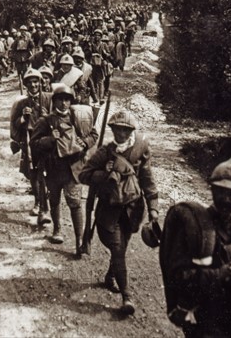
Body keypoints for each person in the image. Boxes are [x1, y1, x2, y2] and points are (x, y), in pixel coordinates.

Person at [159, 157, 231, 338]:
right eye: (220, 191)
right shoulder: (196, 226)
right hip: (208, 315)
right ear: (212, 190)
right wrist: (219, 275)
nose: (226, 199)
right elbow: (178, 275)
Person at [79, 109, 159, 315]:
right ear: (112, 129)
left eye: (125, 130)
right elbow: (84, 175)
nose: (120, 134)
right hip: (108, 210)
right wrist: (104, 172)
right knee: (116, 248)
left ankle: (110, 275)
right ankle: (127, 297)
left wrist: (153, 209)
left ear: (131, 130)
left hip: (132, 209)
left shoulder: (140, 149)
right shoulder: (104, 152)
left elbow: (148, 180)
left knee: (121, 248)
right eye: (116, 129)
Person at [31, 84, 98, 257]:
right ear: (54, 101)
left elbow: (94, 135)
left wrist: (86, 143)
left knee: (75, 204)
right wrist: (50, 140)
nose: (63, 103)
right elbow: (34, 144)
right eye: (60, 99)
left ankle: (79, 242)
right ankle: (57, 230)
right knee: (54, 200)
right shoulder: (45, 121)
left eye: (67, 100)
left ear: (71, 102)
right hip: (53, 169)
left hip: (73, 169)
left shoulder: (79, 118)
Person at [10, 68, 52, 224]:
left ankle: (46, 205)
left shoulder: (49, 99)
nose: (33, 85)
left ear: (41, 83)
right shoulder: (22, 103)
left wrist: (46, 114)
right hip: (29, 140)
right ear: (26, 85)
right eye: (30, 83)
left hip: (46, 140)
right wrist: (23, 117)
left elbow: (59, 118)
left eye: (36, 82)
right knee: (33, 173)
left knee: (46, 172)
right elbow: (14, 124)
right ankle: (37, 201)